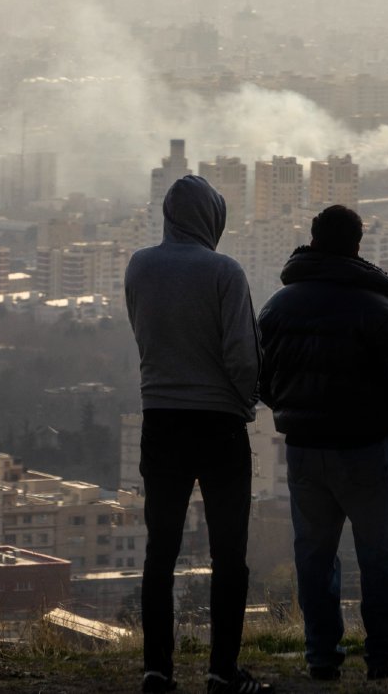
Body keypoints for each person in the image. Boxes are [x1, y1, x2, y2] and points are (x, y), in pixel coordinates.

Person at [125, 174, 272, 694]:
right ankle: (220, 671)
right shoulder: (224, 272)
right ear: (213, 218)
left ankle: (156, 671)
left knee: (160, 550)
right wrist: (245, 401)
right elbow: (241, 354)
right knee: (228, 552)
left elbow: (143, 333)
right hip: (218, 424)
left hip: (160, 419)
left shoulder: (139, 266)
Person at [257, 205, 388, 682]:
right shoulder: (379, 310)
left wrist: (291, 411)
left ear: (313, 238)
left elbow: (260, 377)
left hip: (304, 450)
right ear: (358, 244)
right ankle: (386, 656)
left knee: (315, 554)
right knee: (382, 555)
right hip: (365, 447)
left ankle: (321, 655)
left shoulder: (278, 306)